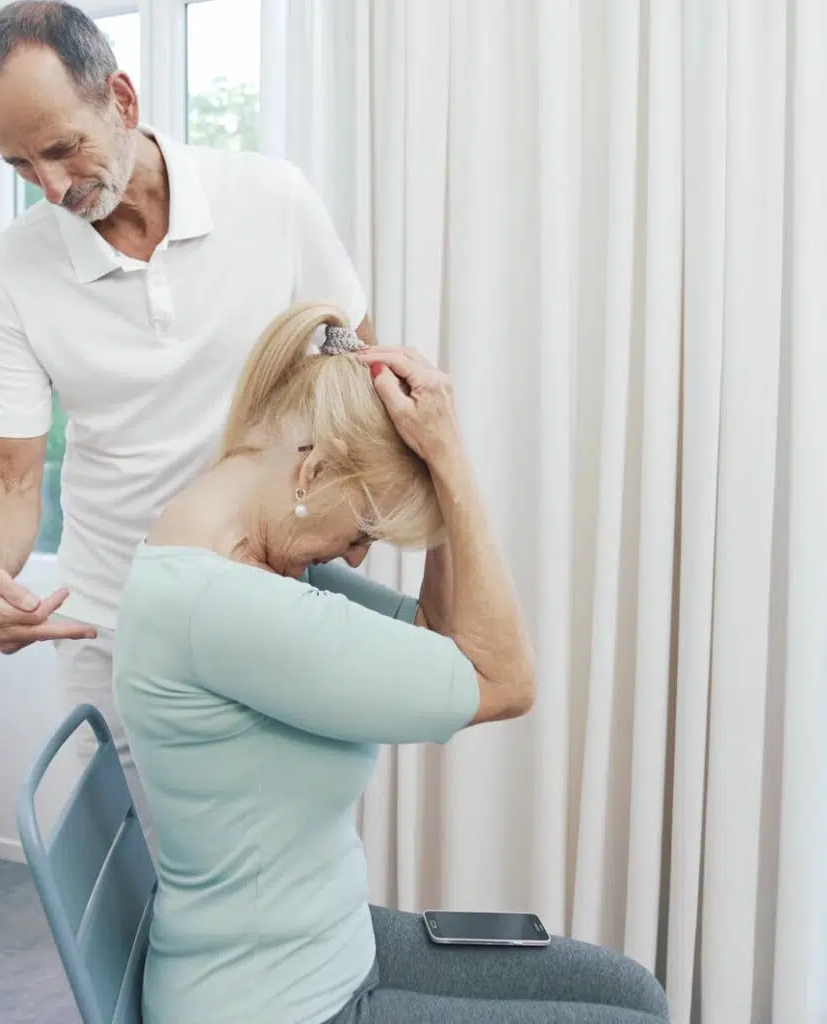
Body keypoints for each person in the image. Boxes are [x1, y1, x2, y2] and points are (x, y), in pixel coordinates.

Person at [113, 303, 671, 1024]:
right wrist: (451, 458)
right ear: (310, 472)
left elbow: (444, 633)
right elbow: (504, 682)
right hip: (278, 1002)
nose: (355, 553)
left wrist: (436, 472)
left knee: (635, 996)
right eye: (365, 526)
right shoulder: (224, 606)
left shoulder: (244, 558)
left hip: (326, 944)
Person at [0, 0, 372, 839]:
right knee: (131, 893)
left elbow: (356, 384)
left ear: (122, 97)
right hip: (114, 625)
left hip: (274, 601)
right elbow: (10, 475)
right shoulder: (12, 267)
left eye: (62, 147)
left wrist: (344, 535)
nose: (52, 187)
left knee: (281, 869)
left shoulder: (272, 200)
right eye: (20, 164)